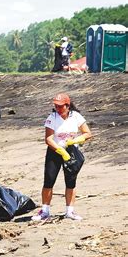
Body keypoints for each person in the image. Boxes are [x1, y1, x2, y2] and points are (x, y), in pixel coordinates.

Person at [32, 93, 92, 221]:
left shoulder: (76, 116)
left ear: (67, 105)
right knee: (49, 180)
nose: (58, 109)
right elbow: (48, 139)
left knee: (71, 181)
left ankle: (70, 211)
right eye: (56, 106)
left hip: (71, 152)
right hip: (55, 152)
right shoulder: (52, 117)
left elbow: (87, 133)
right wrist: (60, 150)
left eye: (61, 106)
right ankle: (45, 211)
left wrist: (77, 140)